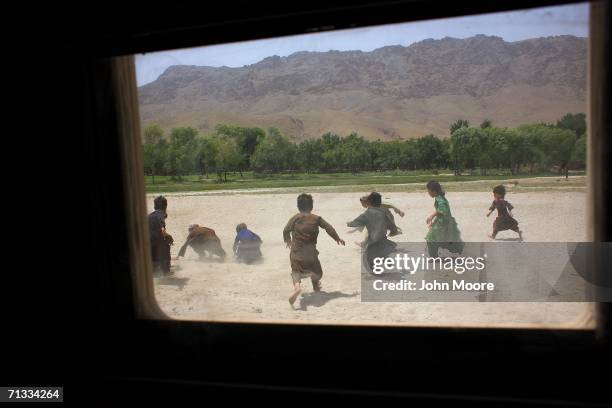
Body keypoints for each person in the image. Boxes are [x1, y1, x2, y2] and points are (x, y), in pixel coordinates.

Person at [283, 193, 345, 306]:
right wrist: (337, 238)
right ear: (311, 206)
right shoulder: (316, 218)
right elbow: (328, 227)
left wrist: (288, 241)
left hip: (296, 251)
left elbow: (286, 230)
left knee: (296, 271)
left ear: (298, 206)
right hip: (311, 252)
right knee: (316, 271)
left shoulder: (295, 218)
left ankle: (297, 288)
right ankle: (316, 286)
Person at [347, 192, 398, 273]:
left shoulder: (368, 212)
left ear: (369, 202)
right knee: (380, 250)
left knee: (370, 254)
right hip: (382, 236)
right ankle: (387, 261)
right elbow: (390, 221)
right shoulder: (383, 210)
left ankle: (377, 268)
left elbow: (359, 221)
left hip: (373, 237)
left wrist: (350, 223)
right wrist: (393, 230)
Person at [425, 181, 464, 257]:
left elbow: (442, 209)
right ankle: (457, 248)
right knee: (443, 238)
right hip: (444, 221)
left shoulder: (440, 199)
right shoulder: (439, 197)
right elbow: (441, 211)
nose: (428, 193)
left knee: (431, 239)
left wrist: (431, 216)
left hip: (442, 223)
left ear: (434, 191)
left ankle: (434, 257)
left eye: (429, 191)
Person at [148, 195, 173, 275]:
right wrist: (168, 236)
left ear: (154, 206)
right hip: (154, 241)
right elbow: (162, 227)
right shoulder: (161, 214)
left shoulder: (149, 216)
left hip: (146, 240)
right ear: (165, 206)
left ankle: (154, 267)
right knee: (166, 243)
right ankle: (166, 270)